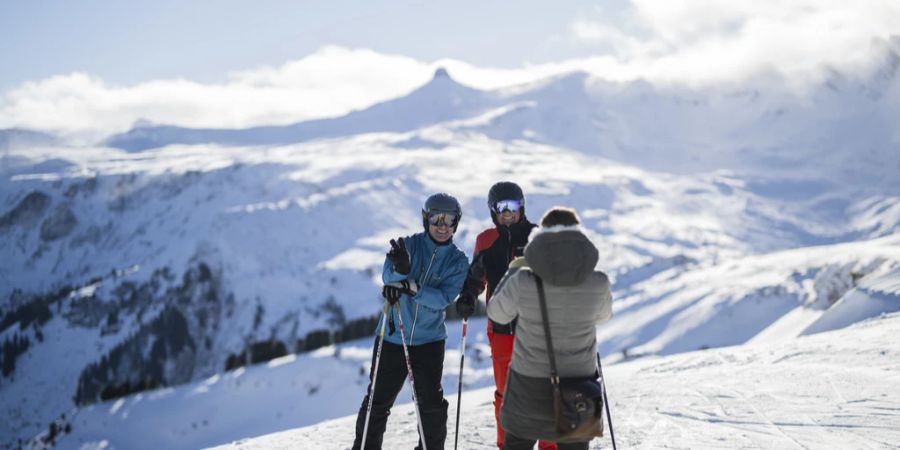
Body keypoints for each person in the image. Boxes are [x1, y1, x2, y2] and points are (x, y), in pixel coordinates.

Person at [487, 206, 613, 450]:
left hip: (527, 387)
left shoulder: (523, 280)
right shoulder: (598, 282)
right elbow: (603, 316)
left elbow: (496, 313)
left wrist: (514, 269)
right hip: (579, 388)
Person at [352, 192, 470, 450]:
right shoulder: (408, 246)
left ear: (456, 224)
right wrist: (400, 272)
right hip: (394, 336)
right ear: (426, 220)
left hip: (429, 341)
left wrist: (412, 287)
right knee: (377, 402)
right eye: (436, 218)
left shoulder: (458, 261)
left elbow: (443, 299)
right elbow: (386, 275)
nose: (442, 225)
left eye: (448, 220)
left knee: (430, 405)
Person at [453, 181, 549, 450]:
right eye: (501, 207)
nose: (508, 213)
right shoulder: (486, 241)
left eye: (513, 206)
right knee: (506, 394)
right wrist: (468, 296)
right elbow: (475, 277)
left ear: (522, 207)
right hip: (502, 328)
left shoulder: (538, 236)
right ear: (492, 210)